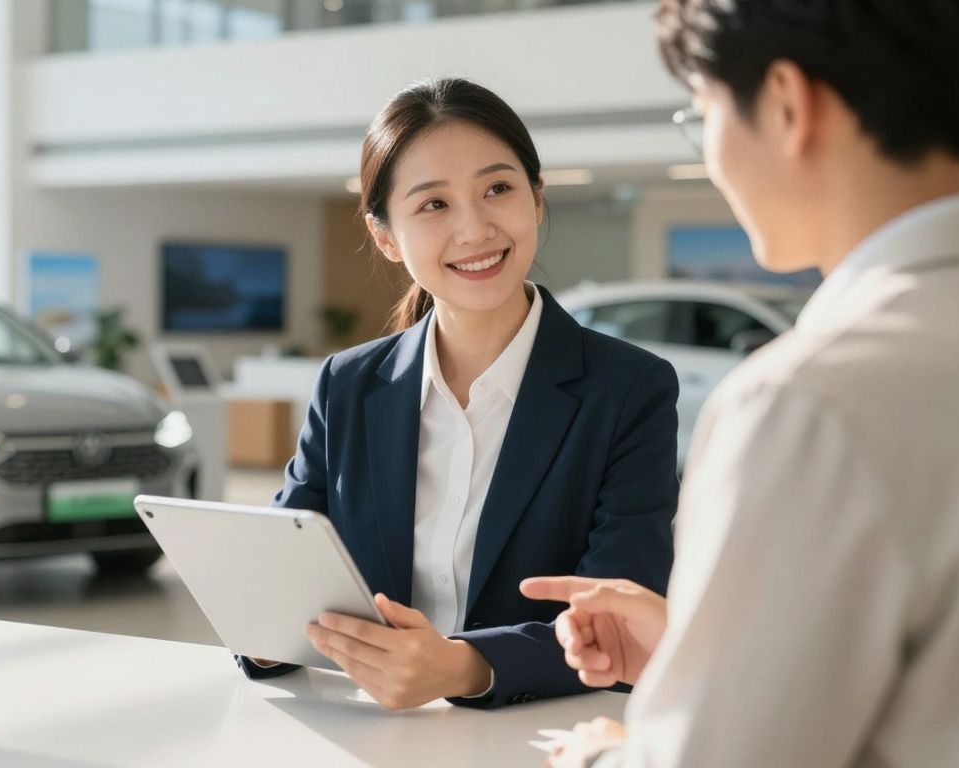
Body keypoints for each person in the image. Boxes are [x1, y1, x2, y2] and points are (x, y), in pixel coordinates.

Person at [522, 0, 959, 764]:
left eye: (700, 112)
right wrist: (713, 652)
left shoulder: (809, 401)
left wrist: (607, 755)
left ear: (785, 103)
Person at [237, 78, 681, 710]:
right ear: (386, 236)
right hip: (369, 740)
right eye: (434, 205)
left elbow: (619, 616)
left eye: (498, 189)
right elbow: (283, 570)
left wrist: (464, 667)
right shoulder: (348, 385)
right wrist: (265, 632)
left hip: (541, 739)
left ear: (536, 199)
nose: (475, 230)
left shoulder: (629, 389)